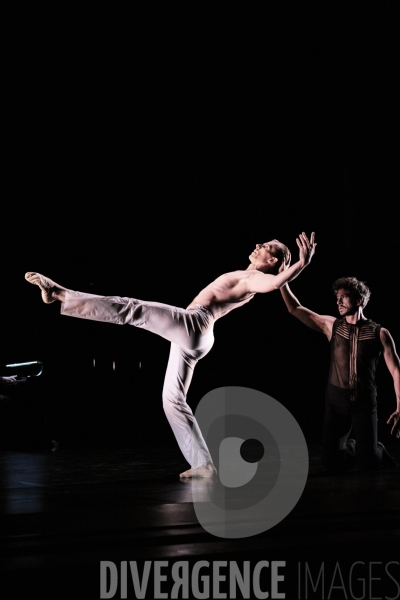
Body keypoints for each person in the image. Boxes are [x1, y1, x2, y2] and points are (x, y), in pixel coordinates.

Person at [25, 231, 316, 478]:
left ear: (272, 261)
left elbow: (274, 283)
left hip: (195, 324)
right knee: (172, 400)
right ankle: (203, 464)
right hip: (198, 333)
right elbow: (276, 281)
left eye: (265, 247)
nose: (258, 246)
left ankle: (60, 294)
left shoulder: (254, 279)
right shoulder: (249, 275)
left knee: (131, 308)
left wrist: (301, 264)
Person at [280, 244, 400, 472]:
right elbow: (295, 308)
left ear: (360, 300)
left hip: (364, 404)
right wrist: (281, 279)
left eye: (344, 297)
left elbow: (396, 370)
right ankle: (356, 445)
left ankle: (376, 449)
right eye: (337, 297)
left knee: (368, 464)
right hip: (336, 402)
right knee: (331, 463)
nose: (339, 301)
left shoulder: (379, 333)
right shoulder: (331, 326)